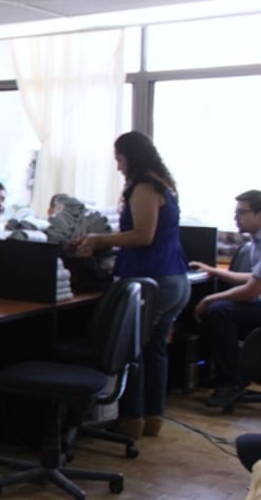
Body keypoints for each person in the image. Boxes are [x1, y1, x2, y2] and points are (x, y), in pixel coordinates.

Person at [75, 131, 189, 439]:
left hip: (154, 279)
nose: (118, 167)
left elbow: (143, 235)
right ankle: (153, 417)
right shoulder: (162, 183)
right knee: (154, 350)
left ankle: (132, 418)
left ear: (131, 156)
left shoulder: (144, 187)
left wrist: (100, 241)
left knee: (133, 350)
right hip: (172, 277)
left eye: (120, 159)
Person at [192, 190, 261, 407]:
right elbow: (253, 277)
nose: (235, 217)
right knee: (221, 307)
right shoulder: (254, 243)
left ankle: (232, 380)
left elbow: (251, 290)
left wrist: (209, 299)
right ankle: (223, 374)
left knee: (220, 310)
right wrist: (213, 270)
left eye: (242, 212)